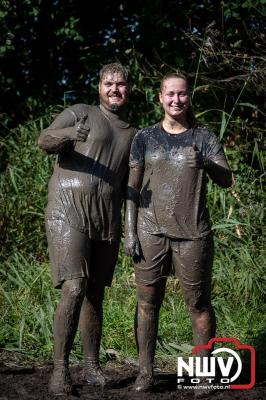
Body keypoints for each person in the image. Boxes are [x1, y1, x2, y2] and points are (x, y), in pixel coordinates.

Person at [124, 72, 233, 395]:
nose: (176, 100)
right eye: (170, 94)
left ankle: (202, 374)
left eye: (182, 94)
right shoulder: (144, 138)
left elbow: (226, 179)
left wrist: (207, 164)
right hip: (150, 231)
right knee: (147, 304)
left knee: (198, 303)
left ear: (189, 97)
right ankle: (145, 372)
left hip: (193, 234)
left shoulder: (204, 137)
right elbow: (131, 187)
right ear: (160, 97)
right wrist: (129, 232)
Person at [38, 63, 136, 396]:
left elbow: (131, 187)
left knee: (95, 294)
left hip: (106, 218)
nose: (114, 90)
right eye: (109, 83)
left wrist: (133, 230)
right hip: (68, 210)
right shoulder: (80, 113)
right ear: (99, 86)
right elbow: (44, 139)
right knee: (75, 286)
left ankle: (92, 366)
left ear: (129, 89)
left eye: (121, 85)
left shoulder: (133, 133)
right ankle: (60, 370)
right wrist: (68, 135)